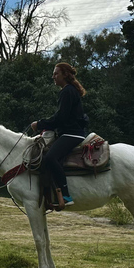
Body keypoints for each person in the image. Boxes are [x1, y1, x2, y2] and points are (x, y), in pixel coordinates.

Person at [30, 62, 87, 206]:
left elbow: (61, 118)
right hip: (71, 133)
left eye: (56, 74)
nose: (53, 76)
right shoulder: (69, 90)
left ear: (65, 75)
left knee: (50, 158)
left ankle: (66, 195)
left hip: (72, 134)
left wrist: (40, 124)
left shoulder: (67, 91)